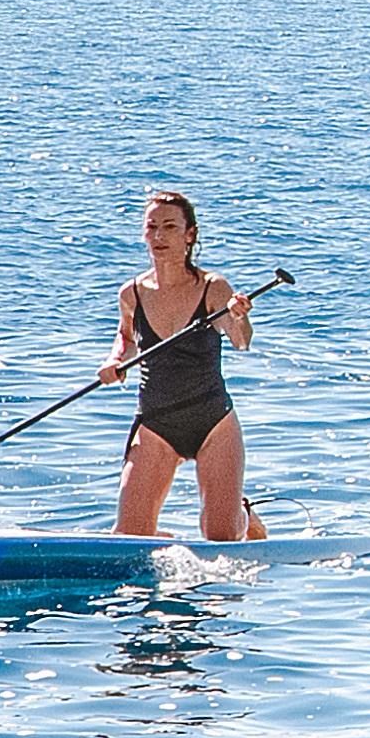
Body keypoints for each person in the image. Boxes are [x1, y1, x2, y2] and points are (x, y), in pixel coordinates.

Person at [99, 191, 270, 541]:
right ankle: (167, 544)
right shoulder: (131, 292)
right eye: (152, 227)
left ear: (189, 234)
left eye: (170, 227)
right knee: (130, 535)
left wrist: (239, 317)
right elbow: (127, 337)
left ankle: (244, 514)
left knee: (220, 535)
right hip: (156, 423)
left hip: (213, 423)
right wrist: (115, 360)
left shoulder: (213, 287)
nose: (159, 236)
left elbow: (241, 341)